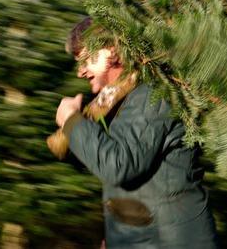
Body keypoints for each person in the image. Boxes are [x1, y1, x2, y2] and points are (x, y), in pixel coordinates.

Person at [55, 17, 218, 248]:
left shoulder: (153, 94)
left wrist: (72, 122)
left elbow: (120, 165)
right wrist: (115, 236)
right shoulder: (122, 100)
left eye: (86, 60)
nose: (81, 72)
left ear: (112, 50)